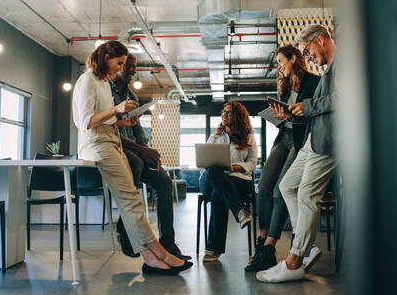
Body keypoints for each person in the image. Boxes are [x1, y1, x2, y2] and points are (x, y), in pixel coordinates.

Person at [72, 40, 192, 275]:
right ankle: (159, 252)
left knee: (130, 200)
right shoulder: (87, 79)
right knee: (131, 199)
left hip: (111, 139)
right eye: (119, 63)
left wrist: (122, 121)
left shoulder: (103, 82)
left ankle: (149, 256)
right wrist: (116, 110)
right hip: (97, 144)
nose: (119, 69)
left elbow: (104, 119)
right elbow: (84, 121)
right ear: (105, 56)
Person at [256, 25, 337, 283]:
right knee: (288, 186)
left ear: (321, 40)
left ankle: (295, 259)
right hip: (313, 139)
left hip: (327, 141)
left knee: (306, 193)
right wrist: (292, 114)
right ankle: (307, 244)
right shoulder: (328, 70)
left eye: (308, 51)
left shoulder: (342, 64)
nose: (308, 57)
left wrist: (309, 106)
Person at [245, 45, 321, 273]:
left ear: (293, 58)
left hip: (300, 140)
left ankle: (269, 248)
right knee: (265, 186)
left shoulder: (314, 82)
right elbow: (287, 115)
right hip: (284, 137)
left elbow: (313, 118)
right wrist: (280, 116)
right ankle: (262, 242)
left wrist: (290, 115)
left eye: (280, 60)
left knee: (280, 190)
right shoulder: (286, 86)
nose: (278, 66)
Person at [110, 53, 190, 261]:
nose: (134, 70)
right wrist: (141, 151)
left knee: (164, 182)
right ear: (118, 65)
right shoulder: (105, 92)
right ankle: (123, 229)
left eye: (135, 66)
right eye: (130, 66)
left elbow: (137, 130)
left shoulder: (132, 97)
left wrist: (148, 150)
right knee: (135, 163)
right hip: (115, 149)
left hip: (134, 149)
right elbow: (109, 132)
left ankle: (168, 244)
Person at [200, 101, 258, 262]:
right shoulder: (216, 136)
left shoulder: (248, 136)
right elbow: (204, 162)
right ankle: (240, 210)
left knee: (219, 195)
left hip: (237, 180)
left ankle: (213, 249)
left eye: (229, 112)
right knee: (214, 171)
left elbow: (252, 164)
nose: (224, 115)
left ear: (238, 116)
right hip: (209, 180)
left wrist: (234, 168)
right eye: (223, 111)